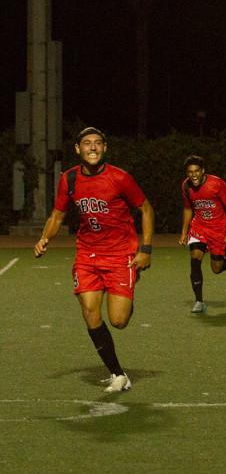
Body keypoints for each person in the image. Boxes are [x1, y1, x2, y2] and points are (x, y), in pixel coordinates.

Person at [33, 127, 154, 392]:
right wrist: (45, 238)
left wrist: (146, 249)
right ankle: (117, 373)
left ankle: (131, 285)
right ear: (77, 149)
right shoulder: (69, 179)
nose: (92, 147)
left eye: (98, 143)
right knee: (89, 310)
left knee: (119, 321)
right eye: (87, 143)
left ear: (105, 148)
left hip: (121, 253)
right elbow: (57, 216)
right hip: (87, 253)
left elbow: (145, 209)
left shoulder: (119, 178)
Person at [179, 155, 226, 313]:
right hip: (199, 227)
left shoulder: (216, 184)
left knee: (216, 269)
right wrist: (184, 232)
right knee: (195, 260)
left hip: (218, 230)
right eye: (190, 172)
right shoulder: (186, 186)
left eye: (197, 171)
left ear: (203, 171)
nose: (194, 175)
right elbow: (187, 208)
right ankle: (199, 301)